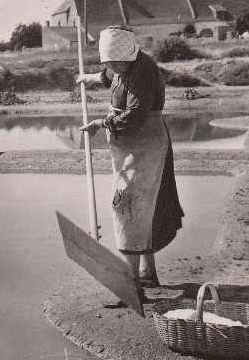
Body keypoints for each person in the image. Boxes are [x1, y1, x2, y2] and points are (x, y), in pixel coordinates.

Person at [76, 25, 184, 291]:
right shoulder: (124, 66)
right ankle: (146, 273)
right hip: (130, 145)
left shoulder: (143, 71)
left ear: (126, 56)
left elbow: (135, 115)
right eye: (107, 62)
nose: (111, 66)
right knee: (141, 208)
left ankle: (131, 286)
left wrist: (101, 123)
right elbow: (110, 76)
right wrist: (88, 77)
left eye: (114, 61)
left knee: (128, 206)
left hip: (145, 145)